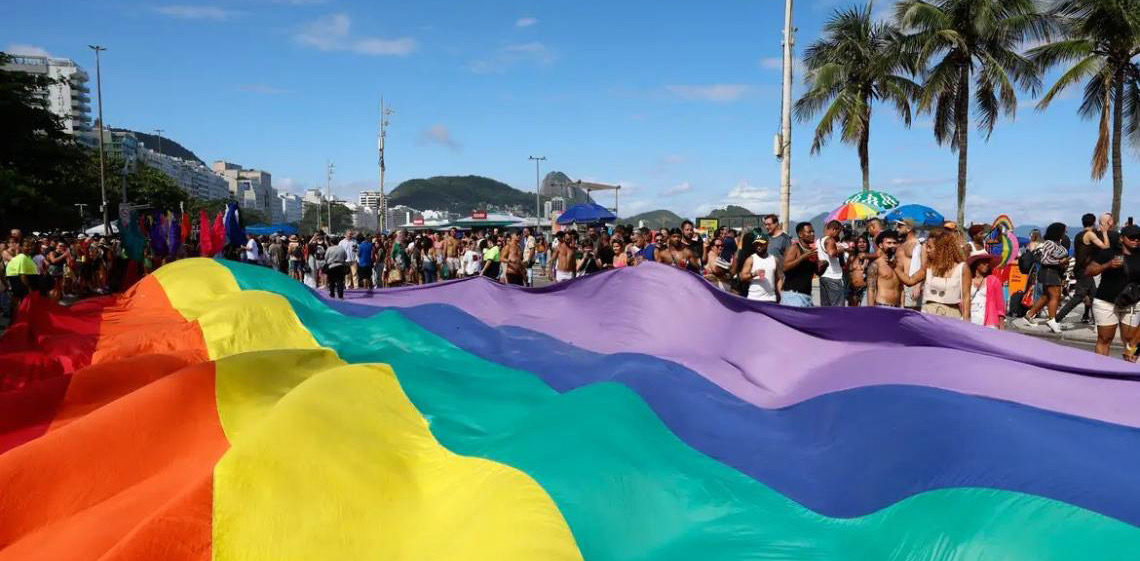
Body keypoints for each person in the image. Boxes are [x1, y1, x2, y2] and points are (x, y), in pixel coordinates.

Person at [1085, 224, 1140, 358]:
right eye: (1132, 238)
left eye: (1139, 238)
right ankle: (1101, 372)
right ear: (1122, 239)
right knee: (1104, 339)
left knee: (1132, 341)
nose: (1136, 240)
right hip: (1106, 302)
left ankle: (1129, 371)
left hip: (1131, 302)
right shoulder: (1108, 253)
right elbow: (1089, 271)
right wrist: (1107, 265)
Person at [897, 231, 972, 320]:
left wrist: (966, 321)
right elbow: (910, 281)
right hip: (928, 314)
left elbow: (966, 298)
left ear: (941, 248)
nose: (927, 250)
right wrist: (895, 267)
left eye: (930, 247)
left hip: (952, 316)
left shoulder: (962, 268)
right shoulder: (928, 266)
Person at [1018, 222, 1070, 333]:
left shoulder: (1057, 243)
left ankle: (1029, 316)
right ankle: (1052, 320)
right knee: (1055, 296)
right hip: (1049, 272)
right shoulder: (1050, 243)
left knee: (1046, 297)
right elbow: (1045, 260)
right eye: (1064, 230)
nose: (1065, 233)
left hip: (1053, 272)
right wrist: (1060, 261)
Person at [1057, 213, 1102, 323]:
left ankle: (1096, 320)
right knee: (1079, 296)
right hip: (1085, 269)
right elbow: (1102, 246)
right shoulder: (1090, 235)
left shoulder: (1078, 235)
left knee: (1093, 295)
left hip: (1080, 269)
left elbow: (1078, 253)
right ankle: (1056, 319)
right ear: (1094, 222)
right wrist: (1103, 232)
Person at [781, 223, 824, 307]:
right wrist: (803, 257)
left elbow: (818, 273)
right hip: (793, 295)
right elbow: (785, 267)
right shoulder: (795, 248)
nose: (812, 234)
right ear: (800, 234)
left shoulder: (812, 251)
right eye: (809, 232)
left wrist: (824, 265)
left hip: (807, 296)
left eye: (813, 232)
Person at [968, 250, 1005, 329]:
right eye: (983, 262)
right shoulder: (967, 280)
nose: (987, 264)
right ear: (976, 263)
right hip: (969, 320)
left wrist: (1001, 328)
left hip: (989, 323)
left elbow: (1000, 307)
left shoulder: (994, 281)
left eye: (988, 262)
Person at [739, 233, 781, 303]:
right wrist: (754, 274)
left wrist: (780, 295)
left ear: (767, 244)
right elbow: (742, 277)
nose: (758, 246)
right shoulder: (751, 259)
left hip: (770, 299)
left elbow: (779, 279)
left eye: (761, 244)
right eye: (756, 244)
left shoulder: (774, 259)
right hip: (754, 298)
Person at [867, 230, 903, 307]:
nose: (892, 245)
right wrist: (870, 310)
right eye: (889, 243)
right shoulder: (875, 265)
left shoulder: (899, 264)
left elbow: (901, 288)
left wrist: (902, 306)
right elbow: (871, 290)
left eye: (894, 243)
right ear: (881, 245)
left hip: (897, 306)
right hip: (882, 305)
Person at [5, 240, 39, 320]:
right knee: (22, 304)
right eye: (27, 246)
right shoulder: (22, 258)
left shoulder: (28, 257)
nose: (30, 247)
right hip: (22, 284)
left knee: (23, 304)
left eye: (31, 245)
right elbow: (23, 276)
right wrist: (29, 288)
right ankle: (19, 321)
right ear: (21, 247)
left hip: (24, 284)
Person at [817, 220, 846, 306]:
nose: (838, 234)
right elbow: (831, 253)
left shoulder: (819, 240)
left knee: (826, 307)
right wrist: (840, 250)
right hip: (834, 277)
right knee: (838, 307)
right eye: (838, 232)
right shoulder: (830, 240)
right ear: (834, 229)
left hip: (824, 276)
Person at [896, 218, 923, 310]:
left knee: (913, 317)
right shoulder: (901, 245)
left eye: (900, 226)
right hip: (900, 286)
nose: (897, 229)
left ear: (908, 228)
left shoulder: (918, 244)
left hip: (912, 285)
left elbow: (923, 266)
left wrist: (918, 286)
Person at [846, 234, 871, 306]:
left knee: (864, 312)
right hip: (853, 289)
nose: (862, 244)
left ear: (867, 244)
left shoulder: (871, 257)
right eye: (859, 242)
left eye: (864, 242)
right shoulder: (852, 257)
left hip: (865, 289)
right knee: (852, 313)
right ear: (856, 244)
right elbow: (846, 271)